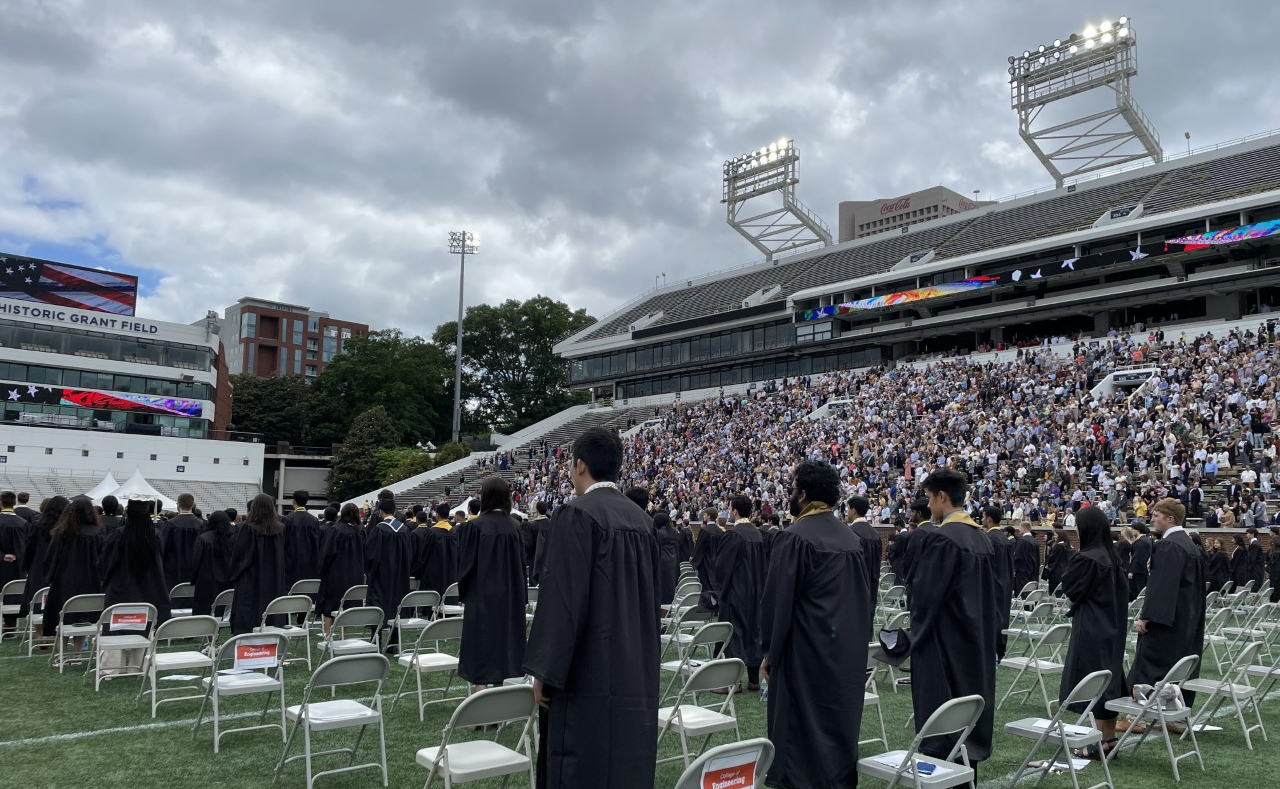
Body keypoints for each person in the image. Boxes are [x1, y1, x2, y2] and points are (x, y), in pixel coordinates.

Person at [523, 427, 660, 789]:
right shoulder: (643, 523)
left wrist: (545, 671)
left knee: (582, 762)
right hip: (636, 667)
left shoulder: (575, 515)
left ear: (580, 465)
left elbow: (562, 600)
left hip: (587, 670)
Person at [759, 461, 873, 789]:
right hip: (844, 654)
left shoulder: (795, 537)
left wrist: (771, 653)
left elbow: (777, 605)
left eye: (793, 490)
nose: (790, 496)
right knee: (837, 725)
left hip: (804, 654)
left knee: (800, 739)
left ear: (804, 495)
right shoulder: (850, 539)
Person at [908, 469, 999, 778]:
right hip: (978, 640)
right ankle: (966, 771)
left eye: (931, 499)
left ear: (942, 497)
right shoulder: (982, 539)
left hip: (945, 643)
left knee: (942, 717)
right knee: (969, 710)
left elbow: (924, 598)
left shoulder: (943, 539)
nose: (929, 506)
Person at [1125, 498, 1206, 726]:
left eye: (1157, 515)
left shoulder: (1169, 545)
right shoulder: (1190, 545)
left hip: (1165, 621)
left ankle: (1137, 718)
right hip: (1186, 619)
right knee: (1177, 668)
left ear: (1170, 518)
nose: (1152, 519)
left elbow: (1162, 586)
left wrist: (1147, 617)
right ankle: (1175, 716)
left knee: (1151, 667)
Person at [1058, 507, 1128, 758]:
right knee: (1108, 679)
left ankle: (1097, 744)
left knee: (1094, 681)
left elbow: (1070, 587)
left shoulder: (1088, 558)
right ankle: (1109, 739)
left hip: (1092, 627)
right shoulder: (1113, 557)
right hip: (1114, 625)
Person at [457, 476, 527, 690]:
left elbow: (466, 565)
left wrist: (467, 593)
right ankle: (497, 701)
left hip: (481, 597)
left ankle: (479, 700)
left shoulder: (474, 526)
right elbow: (520, 567)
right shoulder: (515, 527)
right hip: (509, 598)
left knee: (480, 643)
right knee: (503, 644)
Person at [41, 498, 105, 658]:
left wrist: (48, 577)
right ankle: (77, 654)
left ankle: (62, 654)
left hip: (64, 582)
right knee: (82, 618)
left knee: (60, 619)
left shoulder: (62, 533)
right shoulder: (98, 534)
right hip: (91, 582)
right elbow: (103, 559)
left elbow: (51, 558)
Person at [715, 495, 766, 692]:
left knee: (734, 634)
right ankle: (753, 680)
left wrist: (720, 591)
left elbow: (722, 567)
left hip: (737, 592)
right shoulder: (759, 534)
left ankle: (732, 682)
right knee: (754, 632)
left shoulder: (733, 535)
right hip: (757, 591)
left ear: (735, 511)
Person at [99, 499, 172, 625]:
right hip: (150, 588)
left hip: (122, 589)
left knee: (121, 631)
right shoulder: (155, 535)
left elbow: (105, 563)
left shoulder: (118, 535)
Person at [228, 494, 287, 634]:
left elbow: (240, 557)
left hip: (251, 580)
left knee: (250, 613)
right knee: (270, 611)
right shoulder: (280, 530)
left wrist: (233, 575)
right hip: (274, 580)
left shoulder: (248, 529)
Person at [365, 495, 413, 653]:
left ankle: (376, 641)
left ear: (381, 512)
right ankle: (394, 641)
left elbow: (371, 555)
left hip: (381, 576)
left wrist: (369, 570)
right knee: (397, 604)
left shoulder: (379, 529)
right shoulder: (404, 529)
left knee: (379, 605)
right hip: (400, 576)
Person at [20, 496, 68, 638]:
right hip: (58, 568)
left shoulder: (37, 525)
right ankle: (53, 632)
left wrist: (27, 567)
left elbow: (30, 548)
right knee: (56, 601)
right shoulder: (66, 528)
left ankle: (39, 633)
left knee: (37, 601)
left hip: (38, 567)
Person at [316, 504, 366, 638]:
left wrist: (322, 569)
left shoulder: (336, 530)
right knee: (347, 603)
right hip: (355, 574)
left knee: (330, 602)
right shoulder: (360, 531)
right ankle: (344, 634)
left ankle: (328, 633)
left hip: (336, 573)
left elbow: (327, 553)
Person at [982, 505, 1015, 660]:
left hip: (992, 584)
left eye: (983, 516)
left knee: (991, 617)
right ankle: (1000, 650)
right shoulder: (1004, 539)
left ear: (989, 518)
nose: (982, 519)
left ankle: (991, 651)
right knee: (1002, 616)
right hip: (1005, 583)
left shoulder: (989, 539)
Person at [191, 510, 236, 617]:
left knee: (205, 612)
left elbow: (196, 562)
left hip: (207, 583)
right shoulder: (234, 539)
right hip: (229, 582)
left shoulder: (203, 539)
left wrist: (194, 579)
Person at [413, 502, 458, 598]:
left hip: (434, 574)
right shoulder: (454, 531)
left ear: (437, 515)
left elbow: (424, 555)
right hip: (451, 571)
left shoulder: (432, 532)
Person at [281, 490, 323, 590]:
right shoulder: (314, 520)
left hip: (290, 561)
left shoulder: (287, 519)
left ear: (293, 501)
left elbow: (284, 542)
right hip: (309, 561)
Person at [158, 493, 202, 587]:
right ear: (193, 505)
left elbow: (162, 548)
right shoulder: (201, 525)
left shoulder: (170, 524)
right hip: (195, 571)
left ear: (178, 505)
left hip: (173, 570)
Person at [0, 491, 27, 633]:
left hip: (1, 566)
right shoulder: (23, 523)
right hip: (18, 567)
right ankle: (11, 626)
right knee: (14, 594)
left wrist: (3, 555)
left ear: (1, 503)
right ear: (14, 502)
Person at [845, 495, 883, 593]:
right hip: (872, 586)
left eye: (848, 508)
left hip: (855, 587)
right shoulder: (875, 534)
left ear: (853, 511)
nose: (847, 512)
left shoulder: (850, 533)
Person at [652, 510, 679, 606]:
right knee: (669, 585)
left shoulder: (657, 533)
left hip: (660, 561)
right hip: (671, 561)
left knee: (660, 586)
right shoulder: (674, 532)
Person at [1012, 520, 1040, 594]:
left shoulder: (1022, 541)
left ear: (1024, 529)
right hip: (1033, 571)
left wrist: (1014, 569)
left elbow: (1018, 557)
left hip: (1023, 573)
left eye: (1020, 528)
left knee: (1022, 593)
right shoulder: (1035, 541)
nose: (1019, 530)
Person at [1128, 524, 1153, 600]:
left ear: (1138, 530)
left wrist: (1132, 571)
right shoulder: (1147, 540)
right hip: (1144, 569)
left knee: (1137, 592)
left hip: (1138, 570)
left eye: (1132, 529)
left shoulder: (1140, 542)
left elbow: (1137, 557)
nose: (1131, 531)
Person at [1043, 530, 1071, 594]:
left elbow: (1052, 559)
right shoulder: (1067, 546)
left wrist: (1047, 570)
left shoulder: (1058, 546)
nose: (1054, 537)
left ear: (1060, 536)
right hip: (1065, 570)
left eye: (1056, 535)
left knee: (1055, 593)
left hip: (1056, 572)